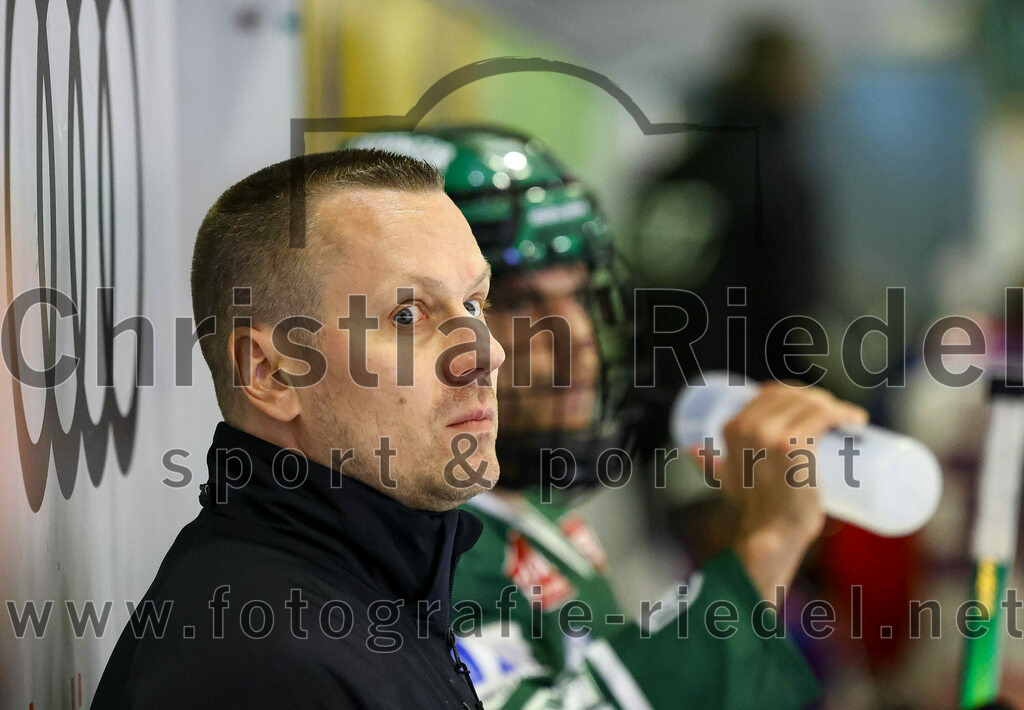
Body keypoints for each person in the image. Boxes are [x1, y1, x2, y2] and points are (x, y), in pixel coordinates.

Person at [345, 126, 868, 709]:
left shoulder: (526, 508)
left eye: (581, 297)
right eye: (513, 303)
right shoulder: (403, 552)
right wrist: (766, 542)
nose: (578, 340)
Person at [93, 150, 505, 708]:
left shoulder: (365, 597)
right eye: (407, 315)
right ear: (270, 374)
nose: (486, 353)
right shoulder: (261, 668)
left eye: (474, 304)